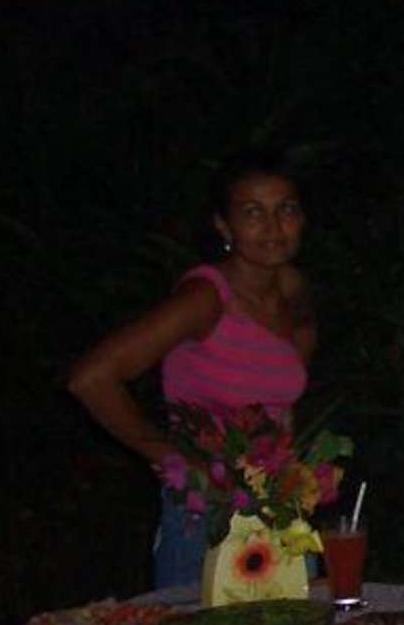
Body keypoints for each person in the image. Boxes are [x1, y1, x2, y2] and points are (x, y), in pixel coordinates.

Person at [67, 150, 317, 589]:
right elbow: (91, 379)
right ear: (224, 226)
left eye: (286, 210)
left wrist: (289, 474)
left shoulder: (294, 289)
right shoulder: (205, 298)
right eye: (253, 213)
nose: (273, 227)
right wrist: (175, 459)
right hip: (205, 510)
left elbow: (284, 397)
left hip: (276, 504)